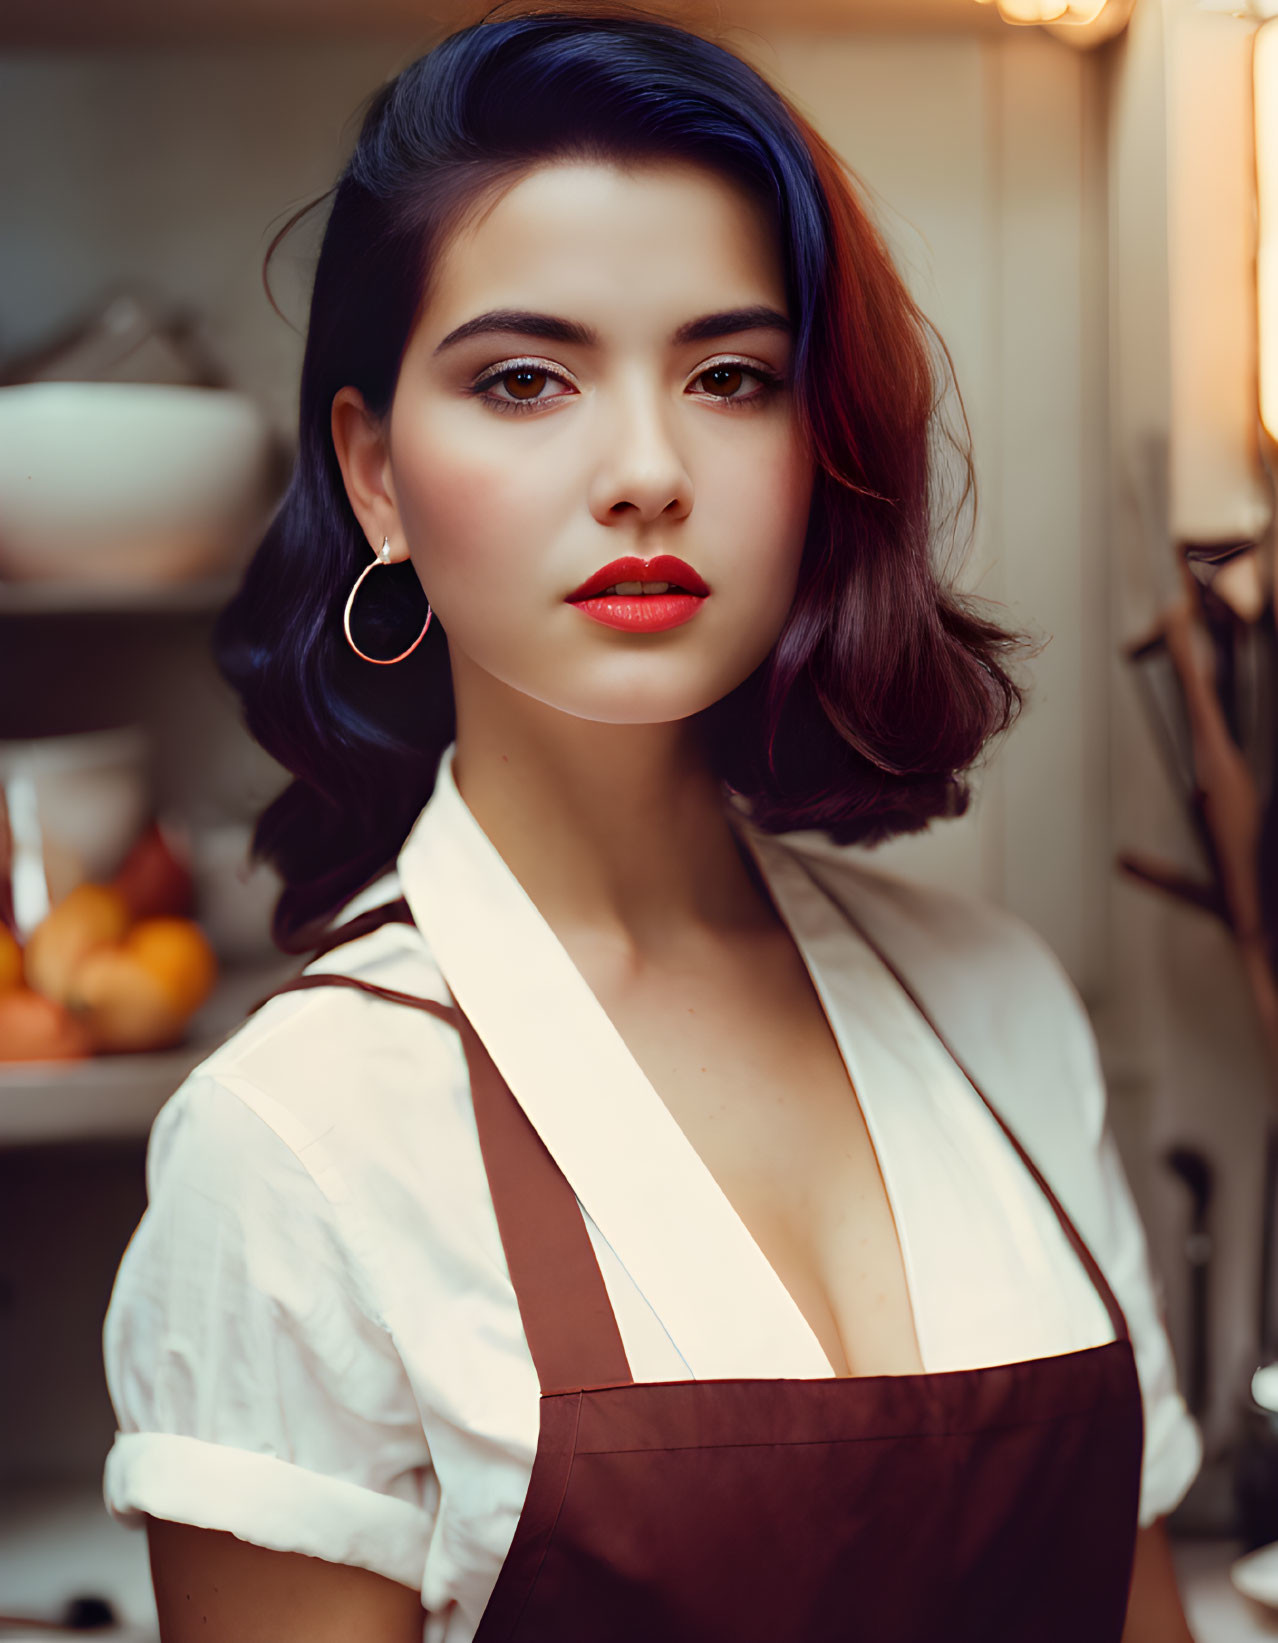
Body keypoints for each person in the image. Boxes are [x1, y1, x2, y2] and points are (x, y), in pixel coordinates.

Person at [101, 5, 1203, 1638]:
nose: (644, 470)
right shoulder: (295, 1147)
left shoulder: (1000, 1004)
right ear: (377, 474)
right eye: (527, 378)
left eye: (731, 375)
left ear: (819, 450)